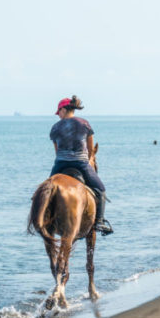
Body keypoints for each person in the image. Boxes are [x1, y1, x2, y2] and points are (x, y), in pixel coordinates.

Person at [49, 95, 113, 235]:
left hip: (60, 164)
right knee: (101, 189)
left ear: (64, 110)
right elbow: (90, 150)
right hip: (81, 164)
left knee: (47, 190)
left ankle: (46, 220)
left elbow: (57, 151)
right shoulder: (84, 123)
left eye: (58, 112)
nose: (58, 115)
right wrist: (84, 159)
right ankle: (99, 222)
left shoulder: (55, 128)